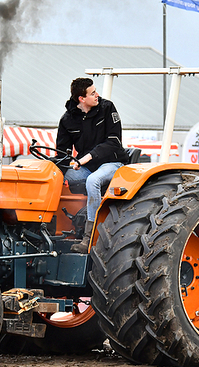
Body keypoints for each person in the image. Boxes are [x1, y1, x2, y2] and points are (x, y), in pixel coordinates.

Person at [56, 77, 128, 253]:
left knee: (93, 181)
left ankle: (90, 237)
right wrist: (58, 167)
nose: (97, 95)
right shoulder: (68, 119)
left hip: (111, 163)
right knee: (56, 175)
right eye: (92, 93)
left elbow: (114, 142)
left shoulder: (107, 108)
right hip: (86, 167)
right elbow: (62, 153)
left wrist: (86, 158)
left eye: (95, 91)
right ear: (81, 98)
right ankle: (51, 228)